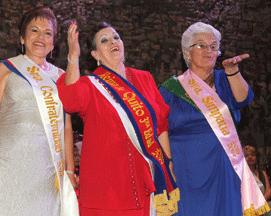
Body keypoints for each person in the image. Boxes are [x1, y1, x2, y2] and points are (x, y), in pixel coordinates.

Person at [57, 21, 179, 215]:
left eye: (116, 37)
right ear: (95, 55)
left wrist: (168, 164)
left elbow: (161, 125)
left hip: (146, 179)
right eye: (104, 40)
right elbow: (70, 101)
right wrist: (73, 56)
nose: (113, 42)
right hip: (107, 186)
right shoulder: (89, 85)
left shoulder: (144, 78)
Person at [159, 21, 270, 216]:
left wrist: (232, 71)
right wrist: (167, 162)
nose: (209, 50)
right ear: (187, 52)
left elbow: (243, 98)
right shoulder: (171, 89)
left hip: (225, 163)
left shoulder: (225, 79)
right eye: (201, 45)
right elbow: (160, 128)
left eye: (214, 46)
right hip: (187, 166)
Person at [0, 6, 78, 215]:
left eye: (48, 33)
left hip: (47, 173)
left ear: (53, 43)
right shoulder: (6, 68)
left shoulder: (61, 77)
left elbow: (66, 126)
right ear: (22, 38)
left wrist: (69, 169)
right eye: (34, 30)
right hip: (7, 168)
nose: (41, 37)